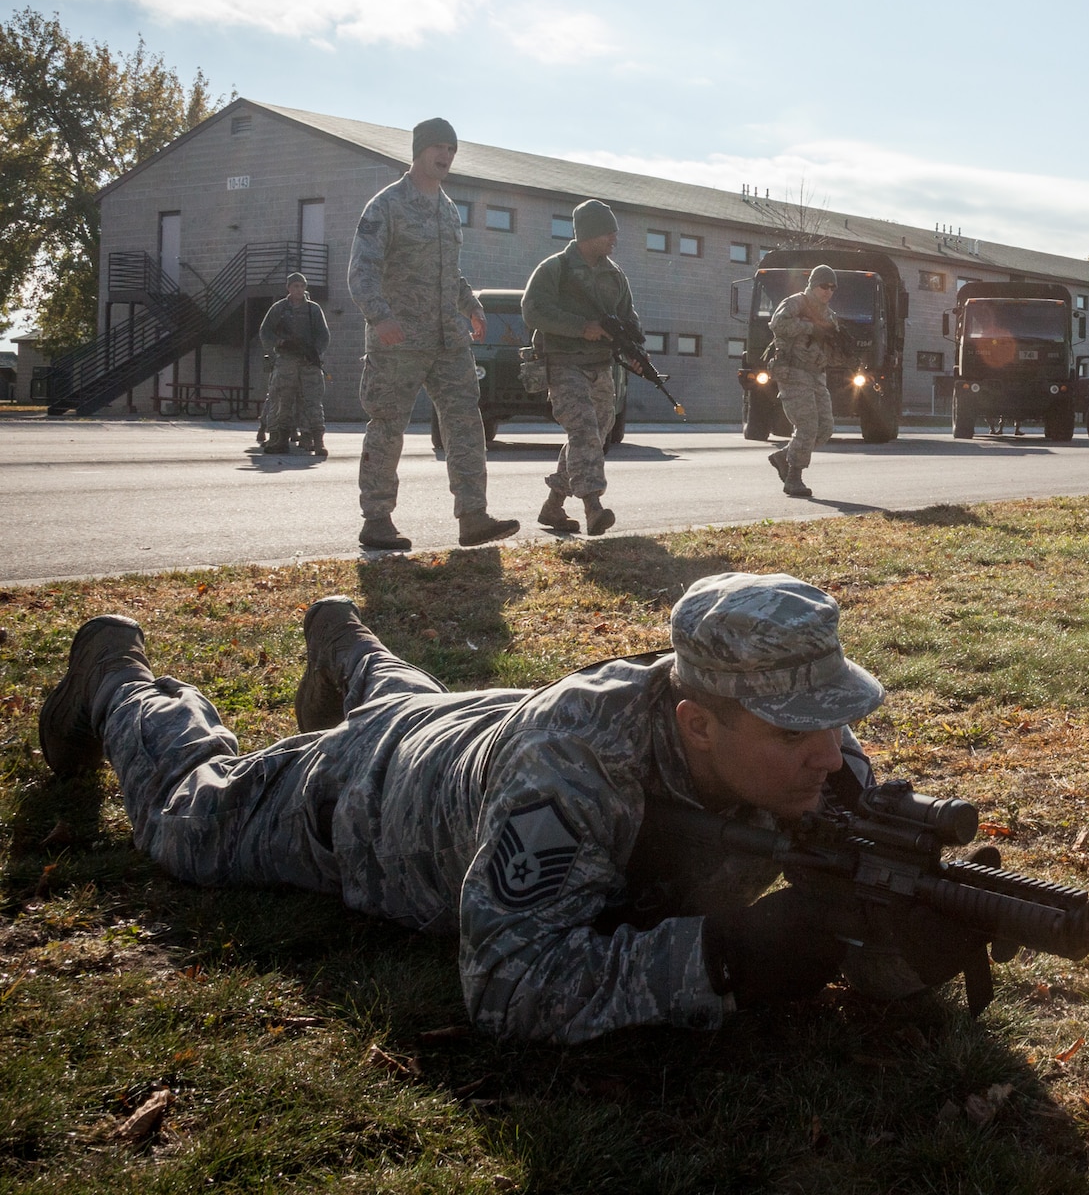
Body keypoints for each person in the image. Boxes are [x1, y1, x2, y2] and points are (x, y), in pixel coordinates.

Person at [35, 572, 932, 1041]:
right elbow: (510, 983)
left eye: (839, 719)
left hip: (475, 727)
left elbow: (854, 866)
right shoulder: (575, 770)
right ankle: (117, 679)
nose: (832, 753)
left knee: (414, 705)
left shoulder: (805, 729)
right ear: (697, 724)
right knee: (191, 820)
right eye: (793, 736)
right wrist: (731, 957)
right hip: (370, 794)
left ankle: (347, 644)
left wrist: (906, 927)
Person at [347, 117, 517, 551]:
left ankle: (473, 516)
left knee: (466, 422)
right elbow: (361, 270)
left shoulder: (447, 208)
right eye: (438, 147)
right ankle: (377, 519)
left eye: (452, 149)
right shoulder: (385, 205)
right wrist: (379, 317)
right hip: (398, 340)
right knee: (388, 426)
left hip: (448, 340)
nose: (445, 156)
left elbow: (448, 272)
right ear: (418, 151)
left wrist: (471, 305)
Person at [521, 200, 640, 537]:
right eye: (608, 231)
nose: (614, 237)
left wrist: (633, 348)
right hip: (563, 364)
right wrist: (581, 326)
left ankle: (553, 505)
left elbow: (628, 317)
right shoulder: (554, 269)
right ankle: (593, 507)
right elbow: (532, 311)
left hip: (600, 366)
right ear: (588, 234)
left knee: (596, 433)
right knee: (584, 430)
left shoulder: (614, 275)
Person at [766, 264, 843, 499]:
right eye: (823, 286)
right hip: (793, 371)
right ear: (812, 284)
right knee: (807, 425)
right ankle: (793, 479)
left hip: (817, 374)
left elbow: (832, 346)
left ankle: (784, 457)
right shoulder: (795, 303)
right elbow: (777, 325)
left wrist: (840, 345)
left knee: (825, 428)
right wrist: (810, 328)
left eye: (832, 287)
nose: (828, 291)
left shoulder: (830, 314)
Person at [257, 271, 330, 457]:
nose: (299, 289)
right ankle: (280, 439)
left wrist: (315, 352)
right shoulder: (279, 309)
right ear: (288, 288)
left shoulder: (313, 310)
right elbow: (265, 332)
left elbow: (323, 335)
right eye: (295, 286)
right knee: (282, 400)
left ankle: (317, 440)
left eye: (302, 286)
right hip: (286, 361)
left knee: (312, 401)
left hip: (308, 362)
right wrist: (278, 344)